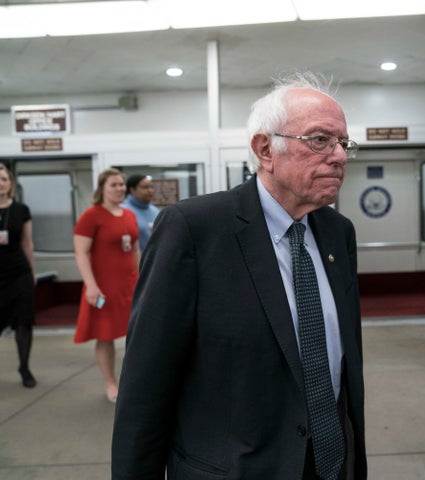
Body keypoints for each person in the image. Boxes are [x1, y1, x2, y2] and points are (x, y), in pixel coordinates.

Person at [111, 73, 367, 480]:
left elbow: (343, 365)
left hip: (331, 463)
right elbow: (146, 383)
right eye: (320, 140)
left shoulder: (339, 232)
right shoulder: (194, 229)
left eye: (343, 144)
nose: (338, 157)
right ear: (265, 149)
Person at [73, 168, 139, 403]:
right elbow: (81, 253)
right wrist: (90, 286)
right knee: (106, 334)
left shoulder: (129, 215)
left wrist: (143, 278)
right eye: (114, 185)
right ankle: (111, 383)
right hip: (103, 286)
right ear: (102, 188)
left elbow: (134, 249)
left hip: (129, 283)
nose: (119, 188)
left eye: (121, 184)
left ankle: (138, 381)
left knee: (139, 331)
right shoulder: (91, 216)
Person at [0, 163, 37, 388]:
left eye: (4, 179)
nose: (1, 184)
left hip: (19, 273)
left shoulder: (21, 210)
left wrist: (32, 273)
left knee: (24, 322)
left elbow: (27, 243)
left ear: (10, 184)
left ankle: (24, 367)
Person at [120, 174, 159, 252]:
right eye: (145, 187)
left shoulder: (155, 211)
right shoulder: (122, 210)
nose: (150, 190)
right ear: (132, 190)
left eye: (151, 187)